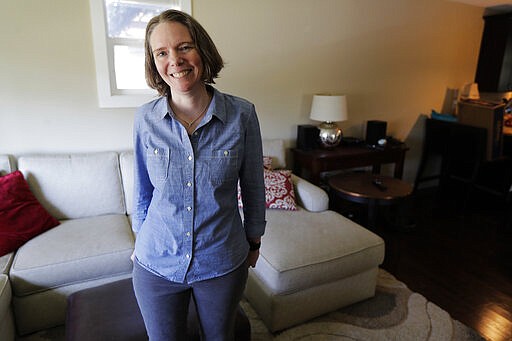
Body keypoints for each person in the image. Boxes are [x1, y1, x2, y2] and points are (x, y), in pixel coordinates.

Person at [131, 9, 266, 341]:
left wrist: (254, 240)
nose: (175, 60)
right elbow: (142, 191)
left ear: (202, 50)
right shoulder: (145, 119)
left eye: (184, 47)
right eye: (162, 52)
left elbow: (252, 187)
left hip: (221, 262)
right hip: (155, 265)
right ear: (154, 62)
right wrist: (139, 239)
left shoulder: (242, 115)